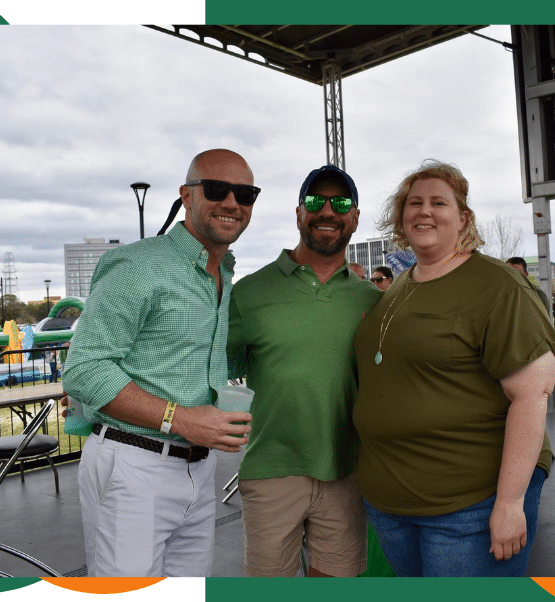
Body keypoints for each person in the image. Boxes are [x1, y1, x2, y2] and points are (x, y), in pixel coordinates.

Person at [353, 160, 555, 577]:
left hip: (469, 508)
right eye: (414, 203)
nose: (424, 211)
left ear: (462, 217)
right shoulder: (400, 285)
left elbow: (533, 392)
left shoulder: (498, 286)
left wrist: (508, 504)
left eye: (438, 202)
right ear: (401, 217)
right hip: (391, 504)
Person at [62, 148, 257, 577]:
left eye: (245, 193)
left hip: (197, 468)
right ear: (187, 196)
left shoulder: (223, 273)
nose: (232, 203)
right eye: (218, 189)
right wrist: (181, 419)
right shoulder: (139, 266)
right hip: (133, 468)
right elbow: (83, 369)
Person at [227, 164, 383, 577]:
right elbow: (205, 366)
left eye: (341, 202)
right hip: (271, 473)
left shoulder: (374, 300)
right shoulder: (249, 293)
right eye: (315, 201)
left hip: (347, 472)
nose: (327, 211)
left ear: (354, 218)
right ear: (299, 214)